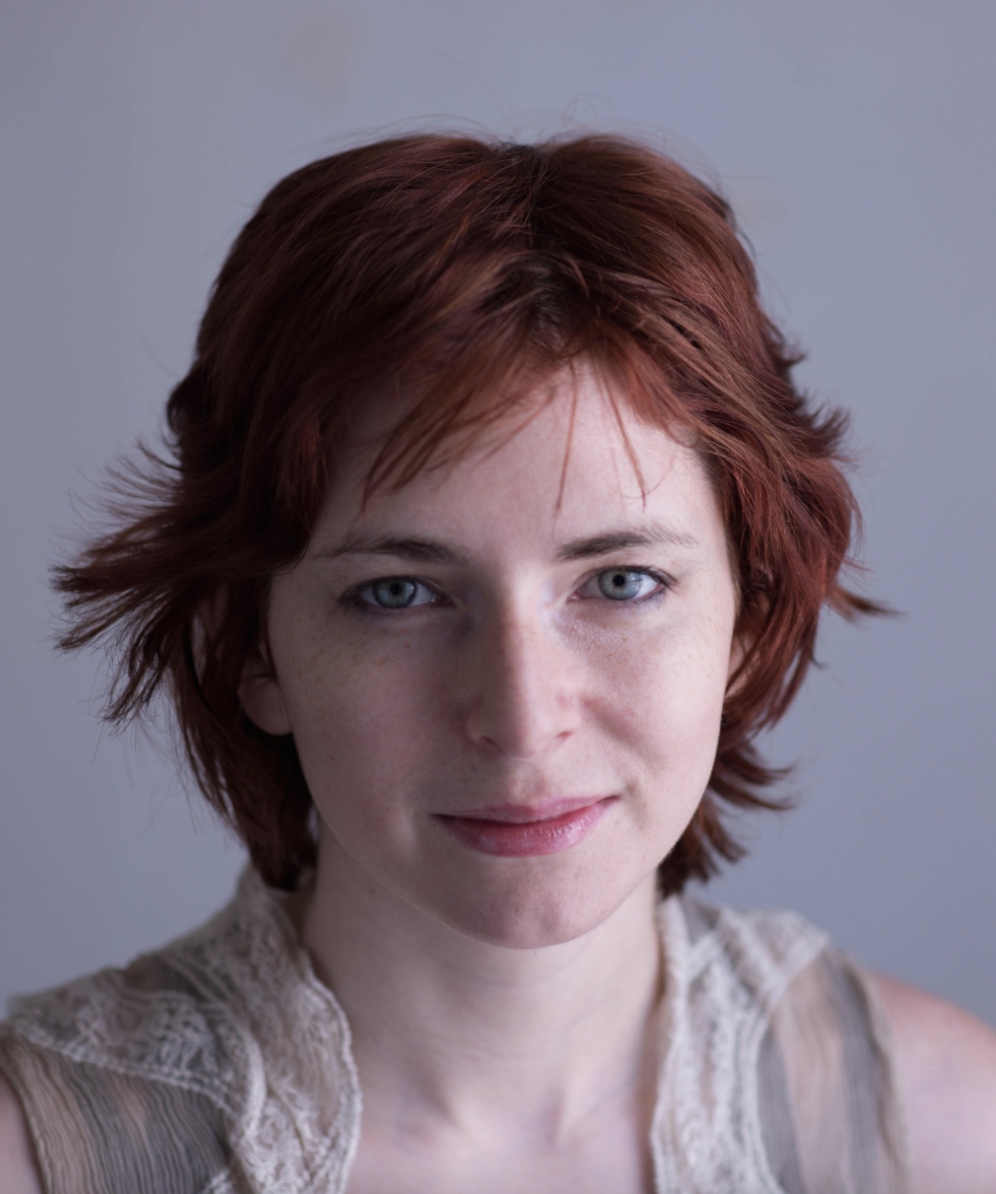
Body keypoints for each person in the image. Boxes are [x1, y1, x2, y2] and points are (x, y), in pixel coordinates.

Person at [1, 132, 994, 1194]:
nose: (522, 720)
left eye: (621, 582)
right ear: (251, 646)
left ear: (746, 622)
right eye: (398, 592)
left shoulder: (945, 1136)